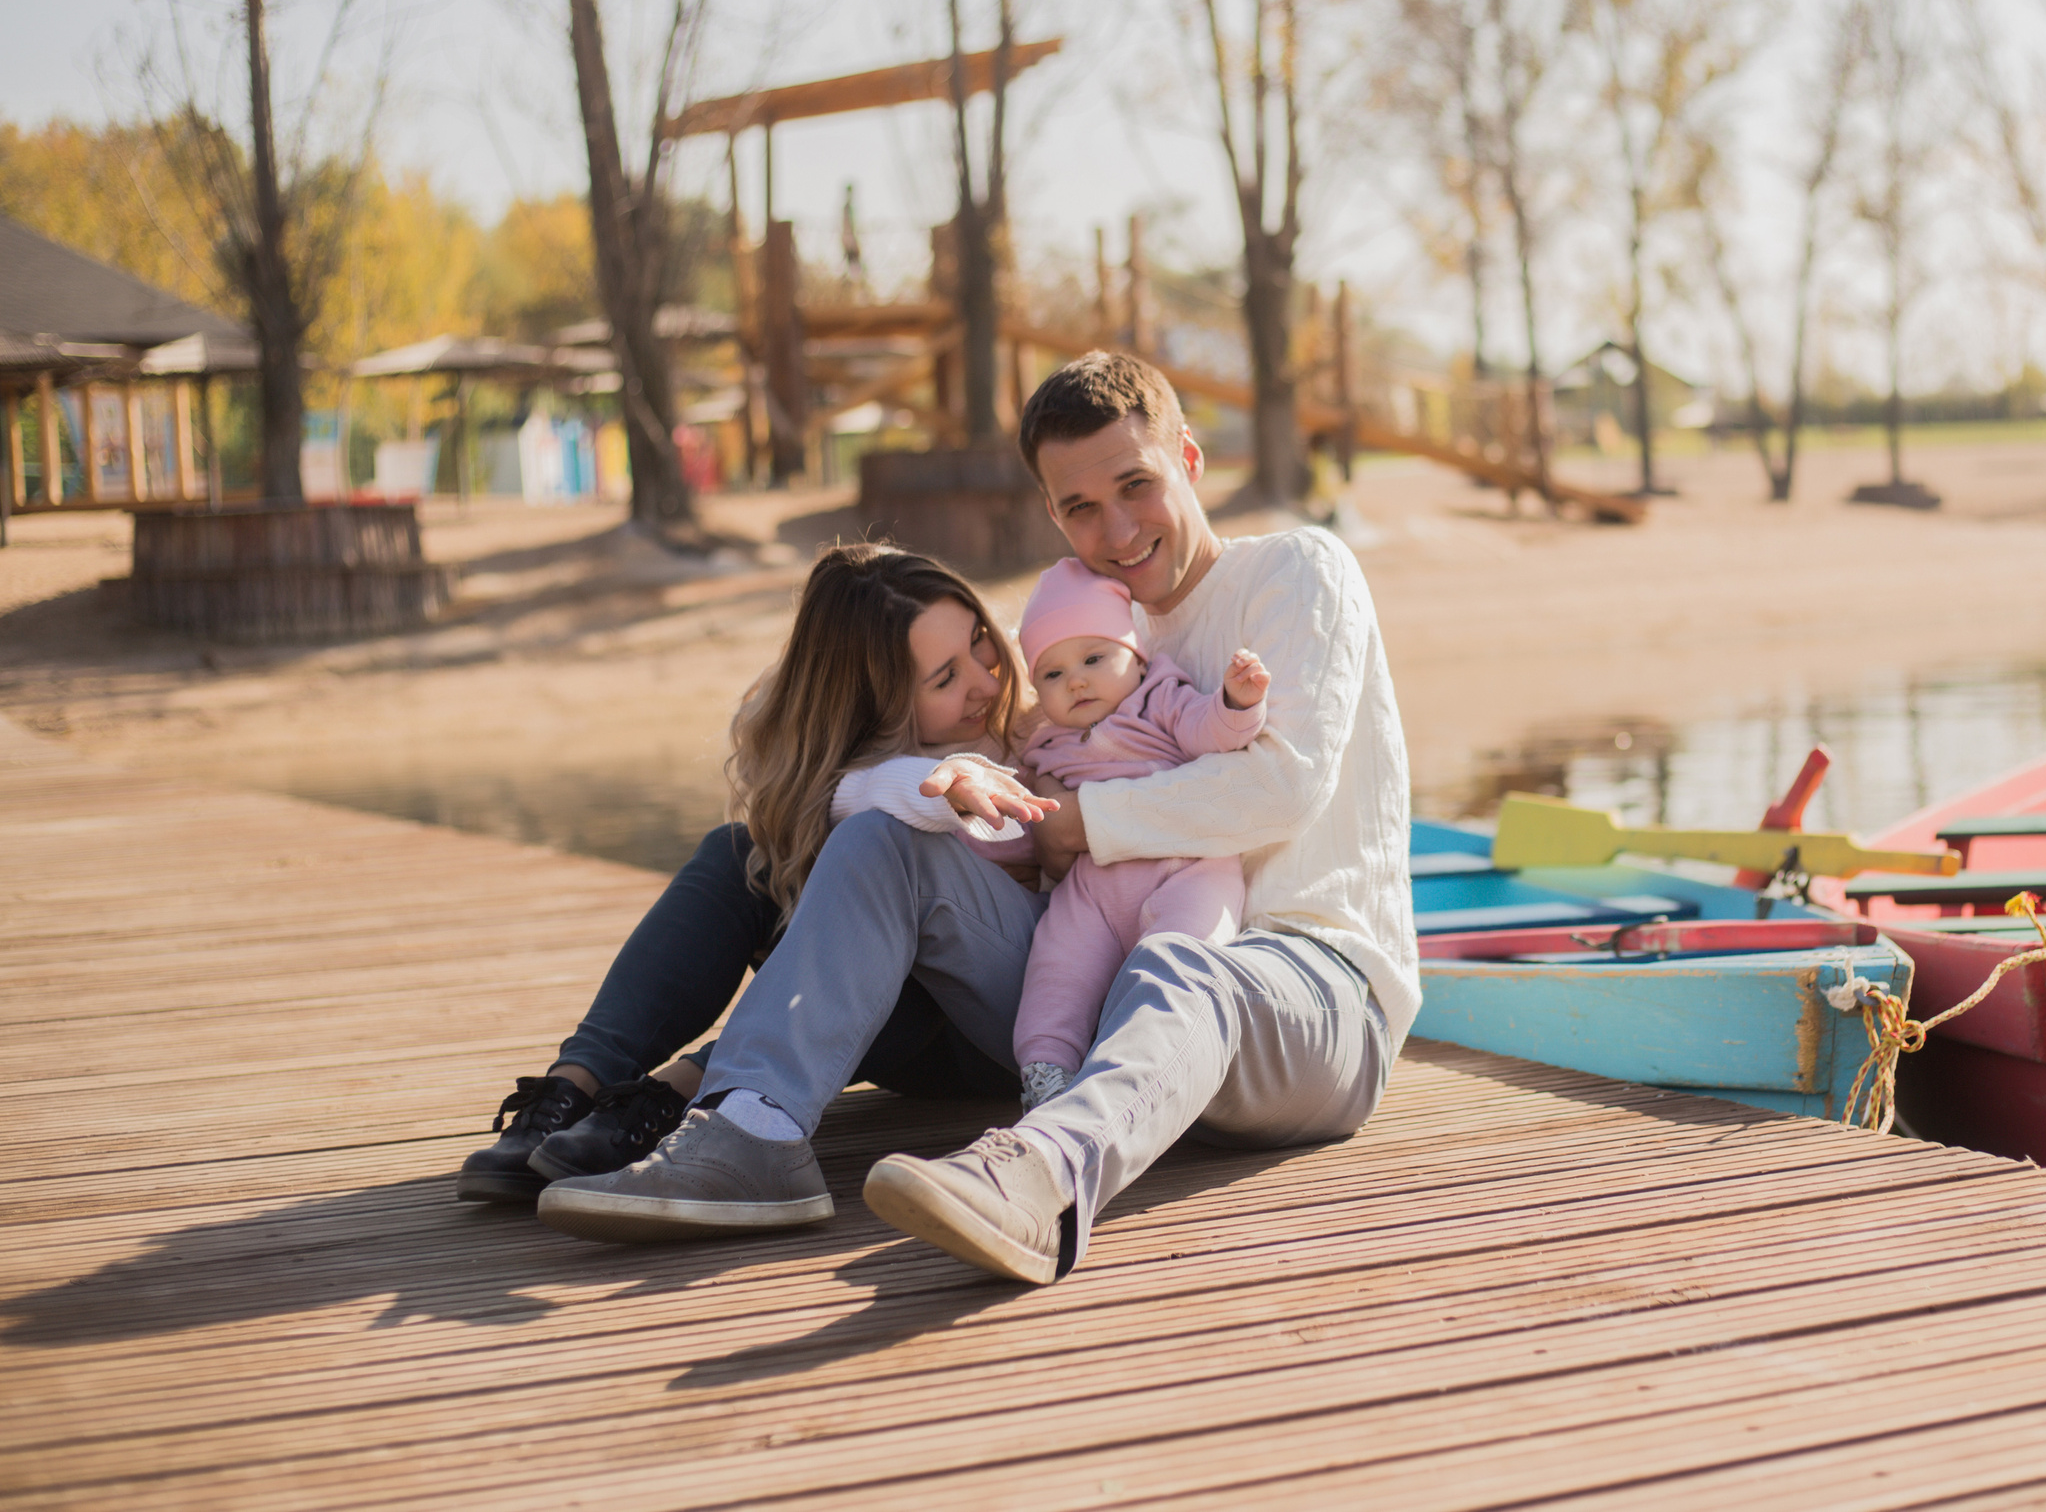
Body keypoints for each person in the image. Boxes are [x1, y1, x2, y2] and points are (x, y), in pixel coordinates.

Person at [539, 350, 1418, 1285]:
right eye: (1081, 507)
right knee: (883, 840)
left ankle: (1039, 1175)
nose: (1118, 529)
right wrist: (954, 790)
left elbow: (1281, 786)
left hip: (1306, 992)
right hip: (1098, 987)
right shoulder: (1091, 627)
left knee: (1183, 964)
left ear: (1190, 460)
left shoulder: (1296, 569)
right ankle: (753, 1131)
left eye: (1137, 484)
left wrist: (1077, 821)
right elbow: (955, 781)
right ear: (1052, 513)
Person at [453, 543, 1055, 1206]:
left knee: (886, 881)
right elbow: (856, 791)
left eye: (978, 642)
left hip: (1019, 1022)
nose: (987, 681)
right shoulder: (855, 769)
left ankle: (672, 1096)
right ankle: (574, 1088)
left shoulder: (1050, 713)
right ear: (876, 703)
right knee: (739, 853)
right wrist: (930, 781)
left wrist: (952, 787)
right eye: (945, 678)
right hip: (908, 1036)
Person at [1008, 555, 1270, 1109]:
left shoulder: (1160, 698)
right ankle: (1046, 1069)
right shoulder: (1045, 746)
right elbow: (1021, 819)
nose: (1076, 680)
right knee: (1057, 966)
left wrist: (1235, 702)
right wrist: (967, 816)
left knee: (1182, 957)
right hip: (1094, 890)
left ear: (1137, 655)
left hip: (1188, 870)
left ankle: (1142, 1068)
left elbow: (1209, 733)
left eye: (1094, 658)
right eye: (1052, 674)